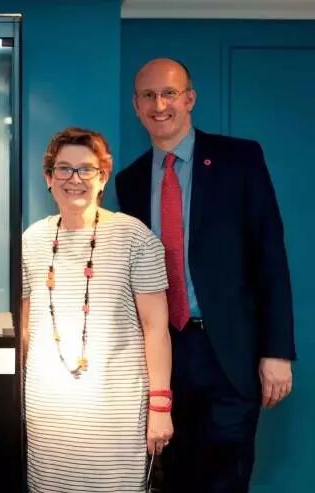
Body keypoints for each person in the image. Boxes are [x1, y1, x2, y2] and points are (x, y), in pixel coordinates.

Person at [116, 58, 296, 492]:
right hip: (162, 356)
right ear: (136, 106)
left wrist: (277, 352)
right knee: (172, 478)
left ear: (190, 98)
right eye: (148, 96)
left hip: (229, 355)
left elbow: (270, 255)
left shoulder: (240, 159)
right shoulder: (130, 180)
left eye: (170, 93)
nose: (160, 105)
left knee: (226, 480)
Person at [22, 127, 173, 492]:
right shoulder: (31, 240)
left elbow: (156, 327)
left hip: (116, 414)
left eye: (86, 169)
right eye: (63, 168)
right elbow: (26, 327)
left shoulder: (134, 236)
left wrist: (160, 406)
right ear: (48, 177)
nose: (74, 179)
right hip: (48, 413)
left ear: (103, 177)